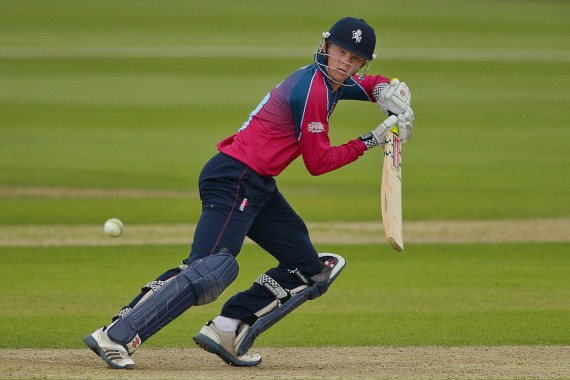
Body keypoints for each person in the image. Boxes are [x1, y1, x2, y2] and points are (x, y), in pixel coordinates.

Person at [84, 16, 414, 370]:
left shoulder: (328, 81)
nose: (345, 64)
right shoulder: (312, 89)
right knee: (210, 268)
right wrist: (371, 139)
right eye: (340, 53)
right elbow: (318, 163)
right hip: (234, 177)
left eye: (355, 60)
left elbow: (361, 85)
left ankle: (229, 328)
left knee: (310, 269)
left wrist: (386, 89)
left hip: (258, 185)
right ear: (326, 47)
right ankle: (116, 335)